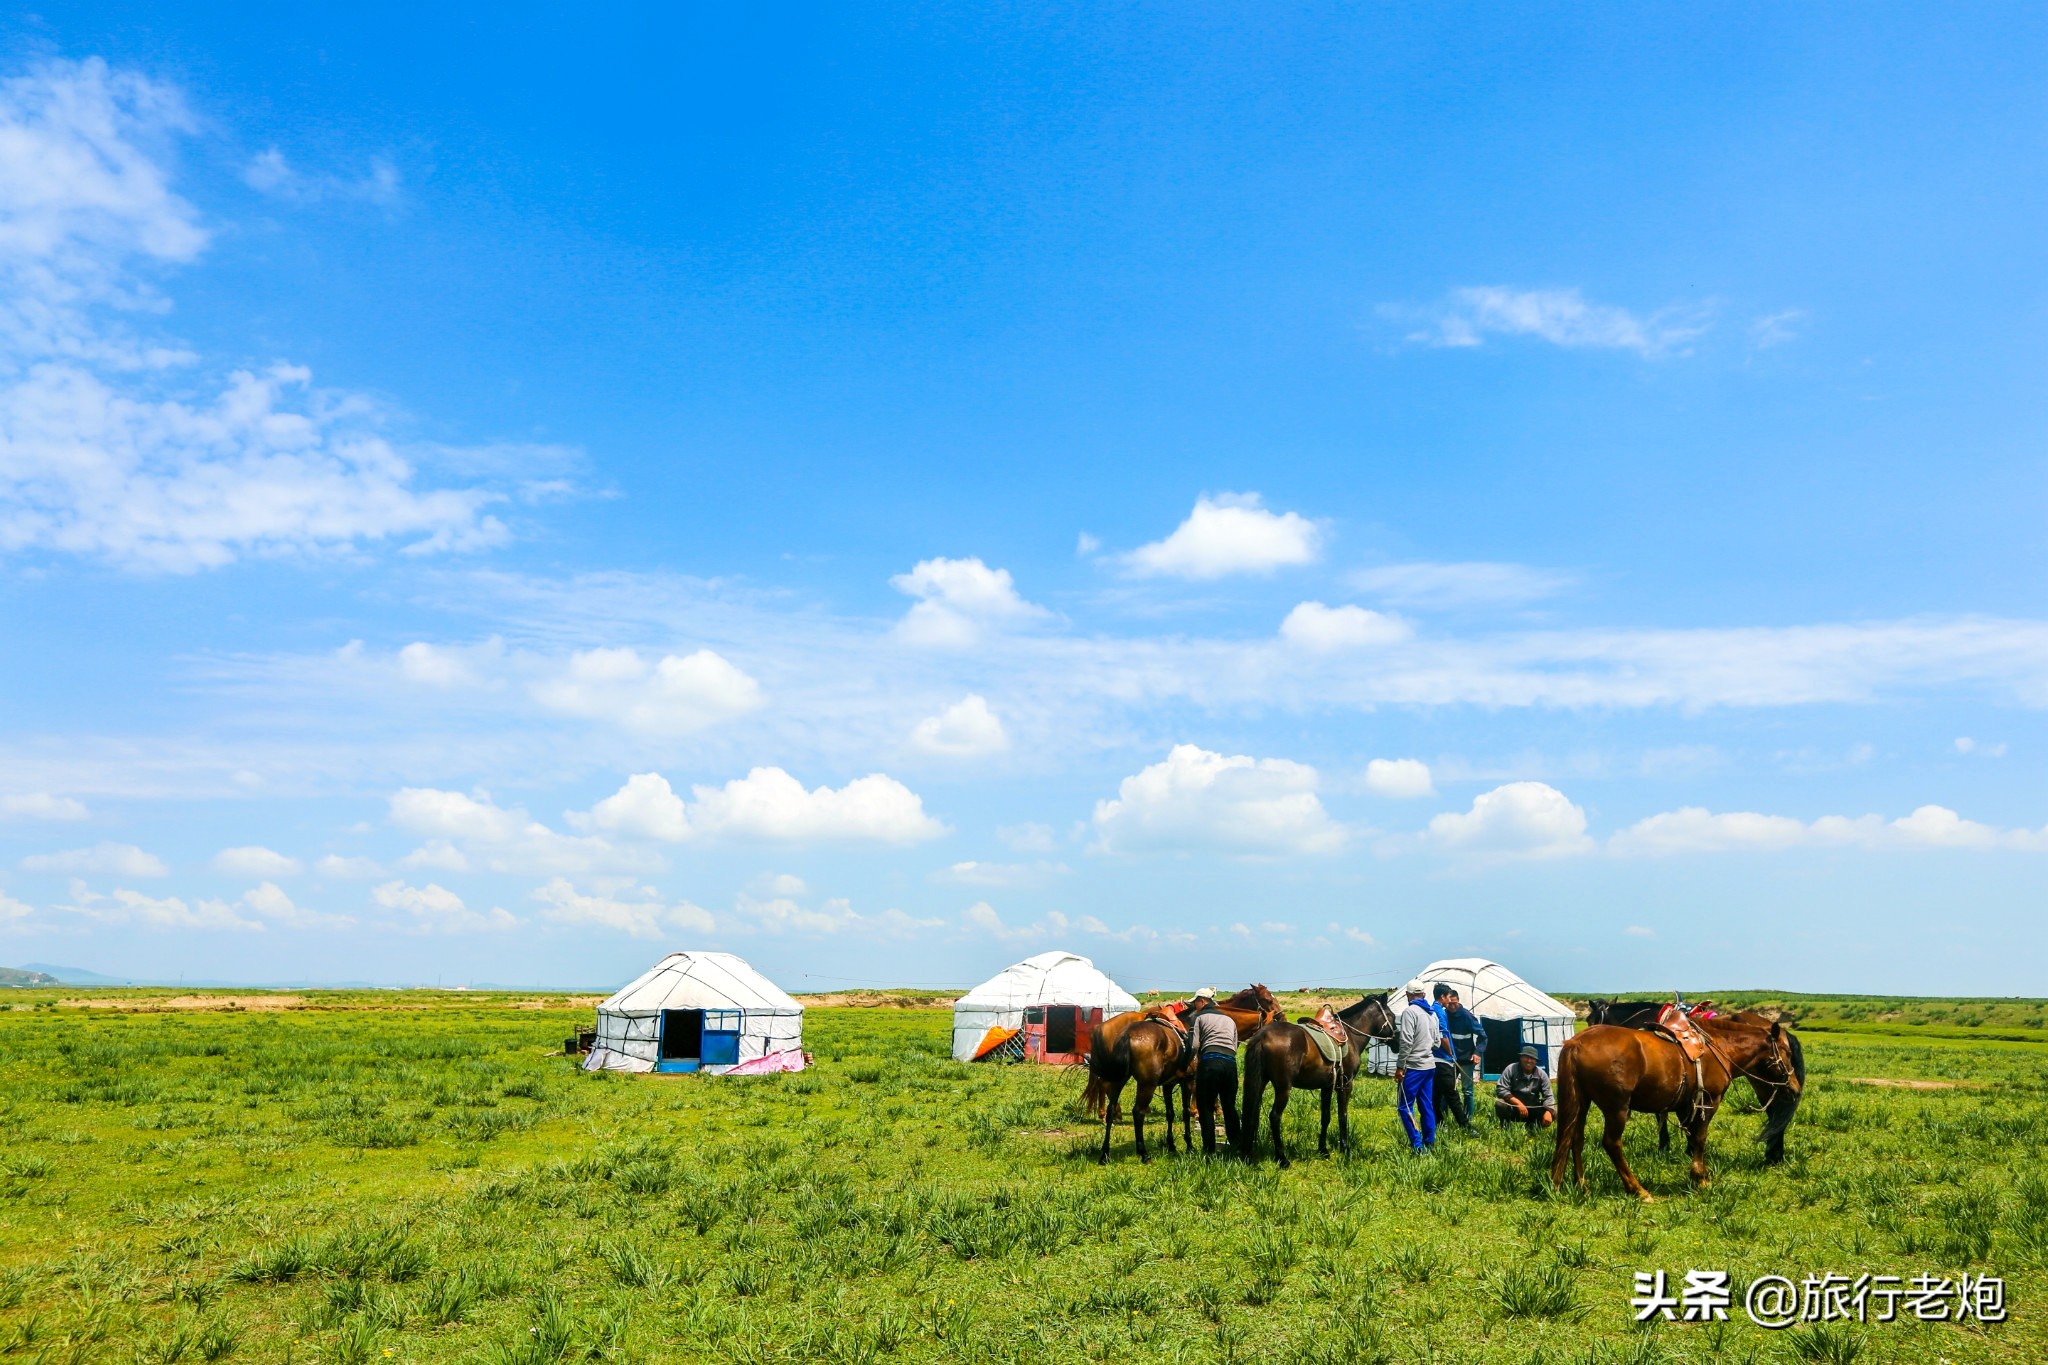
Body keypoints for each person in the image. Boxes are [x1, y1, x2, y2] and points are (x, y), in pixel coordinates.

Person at [1185, 986, 1241, 1154]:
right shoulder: (1229, 1019)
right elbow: (1234, 1046)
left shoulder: (1197, 1017)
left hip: (1210, 1062)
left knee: (1206, 1107)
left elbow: (1194, 1046)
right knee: (1229, 1106)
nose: (1194, 1006)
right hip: (1230, 1064)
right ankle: (1236, 1146)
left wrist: (1184, 1063)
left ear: (1202, 1001)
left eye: (1195, 1003)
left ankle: (1209, 1149)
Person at [1394, 980, 1441, 1150]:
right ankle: (1430, 1142)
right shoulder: (1432, 1013)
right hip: (1429, 1066)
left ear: (1408, 995)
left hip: (1413, 1067)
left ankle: (1417, 1145)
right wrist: (1425, 1047)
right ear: (1424, 994)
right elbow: (1437, 1042)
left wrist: (1400, 1066)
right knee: (1426, 1105)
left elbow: (1406, 1041)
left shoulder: (1410, 1012)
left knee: (1405, 1106)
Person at [1429, 983, 1474, 1131]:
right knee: (1452, 1095)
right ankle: (1465, 1125)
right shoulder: (1440, 1012)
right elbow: (1443, 1035)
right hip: (1443, 1059)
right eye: (1448, 997)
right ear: (1442, 997)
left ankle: (1439, 1124)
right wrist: (1450, 1053)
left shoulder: (1431, 1009)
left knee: (1435, 1095)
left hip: (1433, 1058)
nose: (1449, 1000)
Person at [1442, 988, 1488, 1119]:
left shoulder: (1467, 1016)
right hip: (1450, 1059)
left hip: (1466, 1058)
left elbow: (1483, 1036)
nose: (1452, 1006)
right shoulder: (1443, 1015)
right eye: (1449, 1004)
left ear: (1458, 1001)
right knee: (1447, 1088)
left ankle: (1468, 1119)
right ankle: (1443, 1118)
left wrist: (1477, 1052)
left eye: (1454, 1003)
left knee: (1467, 1090)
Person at [1494, 1044, 1556, 1132]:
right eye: (1526, 1057)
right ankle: (1505, 1128)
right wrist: (1518, 1104)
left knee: (1553, 1112)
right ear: (1521, 1058)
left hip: (1533, 1108)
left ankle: (1533, 1128)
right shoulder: (1511, 1069)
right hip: (1514, 1108)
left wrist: (1549, 1112)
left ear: (1536, 1061)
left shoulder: (1542, 1074)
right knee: (1500, 1104)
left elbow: (1548, 1096)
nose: (1529, 1061)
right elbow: (1501, 1089)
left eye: (1532, 1058)